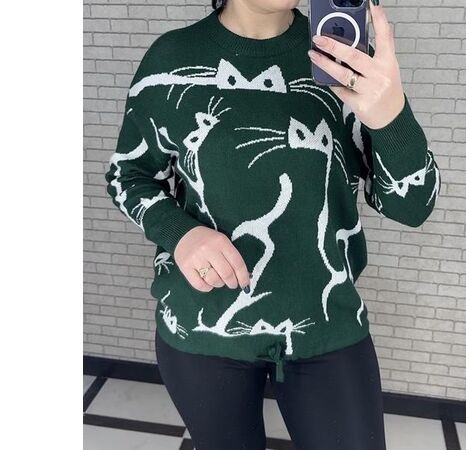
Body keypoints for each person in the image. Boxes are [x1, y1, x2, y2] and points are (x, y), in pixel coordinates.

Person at [104, 0, 440, 449]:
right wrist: (180, 234)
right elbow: (128, 174)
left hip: (325, 322)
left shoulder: (344, 59)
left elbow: (413, 206)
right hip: (203, 327)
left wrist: (392, 116)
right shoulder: (171, 59)